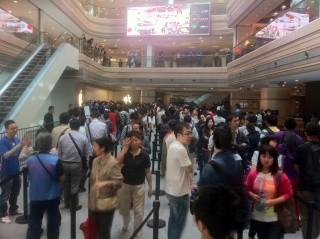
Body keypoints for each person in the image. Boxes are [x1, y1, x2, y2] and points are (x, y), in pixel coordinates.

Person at [246, 145, 293, 239]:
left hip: (275, 217)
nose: (266, 160)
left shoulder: (280, 175)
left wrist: (273, 202)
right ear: (259, 157)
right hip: (258, 216)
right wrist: (251, 194)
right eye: (263, 156)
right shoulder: (253, 174)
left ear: (274, 159)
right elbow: (247, 189)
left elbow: (289, 193)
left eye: (270, 157)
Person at [26, 132, 64, 239]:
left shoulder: (30, 160)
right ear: (50, 143)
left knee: (34, 224)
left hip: (35, 196)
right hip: (52, 196)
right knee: (53, 224)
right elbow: (61, 179)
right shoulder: (55, 160)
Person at [117, 130, 152, 238]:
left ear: (140, 141)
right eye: (131, 140)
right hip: (124, 185)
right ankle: (126, 224)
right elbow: (117, 163)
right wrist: (124, 148)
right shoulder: (125, 153)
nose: (133, 142)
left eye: (136, 140)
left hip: (138, 186)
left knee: (139, 212)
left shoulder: (144, 155)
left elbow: (147, 171)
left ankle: (137, 234)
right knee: (124, 209)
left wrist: (150, 186)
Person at [89, 136, 123, 239]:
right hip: (94, 202)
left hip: (106, 203)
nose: (93, 148)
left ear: (102, 148)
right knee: (95, 229)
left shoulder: (113, 163)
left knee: (104, 231)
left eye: (95, 146)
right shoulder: (95, 161)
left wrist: (105, 184)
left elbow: (119, 181)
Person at [165, 122, 193, 239]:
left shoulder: (173, 144)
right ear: (179, 135)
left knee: (173, 221)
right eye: (187, 133)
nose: (190, 136)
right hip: (179, 192)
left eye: (190, 133)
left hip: (171, 190)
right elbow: (190, 169)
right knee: (178, 224)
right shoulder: (180, 149)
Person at [0, 120, 31, 223]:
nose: (15, 130)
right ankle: (2, 214)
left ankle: (13, 208)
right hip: (5, 172)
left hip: (16, 171)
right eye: (12, 128)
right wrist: (20, 145)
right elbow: (6, 155)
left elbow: (18, 157)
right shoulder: (2, 142)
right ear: (6, 129)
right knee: (5, 194)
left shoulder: (17, 140)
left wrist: (26, 152)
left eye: (16, 128)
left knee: (15, 192)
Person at [294, 122, 320, 239]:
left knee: (306, 217)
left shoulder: (301, 148)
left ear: (306, 133)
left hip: (304, 188)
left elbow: (296, 167)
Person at [58, 118, 91, 210]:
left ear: (70, 126)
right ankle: (74, 204)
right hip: (76, 164)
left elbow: (59, 153)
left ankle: (66, 203)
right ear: (79, 127)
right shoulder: (83, 138)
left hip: (64, 163)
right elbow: (86, 153)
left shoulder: (63, 137)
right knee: (75, 184)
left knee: (66, 184)